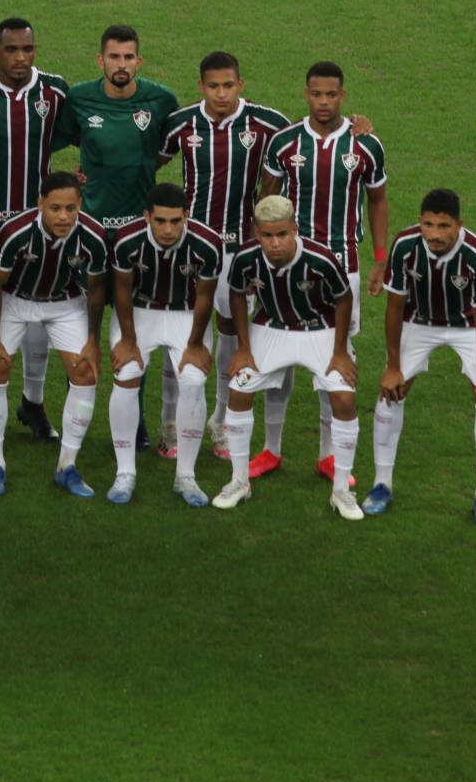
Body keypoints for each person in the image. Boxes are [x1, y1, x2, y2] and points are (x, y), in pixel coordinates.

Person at [162, 50, 371, 470]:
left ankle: (221, 419)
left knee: (226, 329)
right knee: (184, 330)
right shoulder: (180, 124)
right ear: (200, 86)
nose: (221, 93)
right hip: (191, 246)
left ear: (242, 85)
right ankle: (170, 423)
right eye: (213, 86)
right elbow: (148, 161)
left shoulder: (268, 123)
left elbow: (313, 126)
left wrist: (359, 126)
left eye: (229, 85)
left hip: (243, 247)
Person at [260, 60, 388, 485]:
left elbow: (377, 201)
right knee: (277, 358)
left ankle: (329, 456)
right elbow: (267, 202)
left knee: (335, 362)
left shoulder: (366, 145)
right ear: (306, 94)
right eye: (317, 94)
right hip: (287, 265)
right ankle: (270, 449)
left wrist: (381, 257)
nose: (324, 101)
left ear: (343, 96)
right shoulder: (284, 143)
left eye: (331, 94)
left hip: (342, 267)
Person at [60, 24, 180, 446]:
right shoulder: (79, 98)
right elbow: (57, 138)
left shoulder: (161, 100)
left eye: (129, 57)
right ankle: (78, 412)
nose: (122, 65)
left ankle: (139, 420)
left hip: (139, 233)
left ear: (139, 61)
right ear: (101, 61)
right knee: (81, 326)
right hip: (91, 229)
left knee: (137, 329)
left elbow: (174, 143)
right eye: (114, 57)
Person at [0, 18, 74, 448]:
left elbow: (69, 137)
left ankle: (33, 402)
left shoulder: (56, 91)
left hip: (40, 228)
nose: (21, 58)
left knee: (39, 317)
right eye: (12, 50)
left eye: (28, 49)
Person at [213, 195, 363, 520]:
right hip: (271, 329)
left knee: (344, 398)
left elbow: (343, 298)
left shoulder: (322, 258)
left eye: (282, 234)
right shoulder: (245, 258)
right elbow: (237, 294)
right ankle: (238, 482)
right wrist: (243, 347)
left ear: (295, 228)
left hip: (319, 331)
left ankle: (341, 490)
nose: (275, 243)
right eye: (267, 236)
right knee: (238, 392)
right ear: (256, 232)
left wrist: (339, 351)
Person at [370, 189, 476, 526]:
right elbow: (395, 306)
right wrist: (392, 366)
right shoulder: (405, 245)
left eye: (443, 226)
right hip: (420, 322)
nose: (434, 234)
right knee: (390, 393)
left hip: (470, 326)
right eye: (428, 224)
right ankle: (381, 484)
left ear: (459, 225)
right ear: (420, 223)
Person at [0, 173, 110, 499]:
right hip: (15, 301)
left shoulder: (93, 235)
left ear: (80, 204)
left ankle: (67, 466)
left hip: (65, 304)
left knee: (85, 372)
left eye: (70, 208)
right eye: (55, 208)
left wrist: (93, 341)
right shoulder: (15, 232)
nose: (63, 216)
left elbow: (96, 292)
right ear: (41, 205)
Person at [107, 183, 222, 507]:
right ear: (147, 216)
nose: (168, 229)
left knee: (193, 380)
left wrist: (196, 344)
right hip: (141, 312)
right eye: (160, 221)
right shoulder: (127, 239)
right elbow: (122, 292)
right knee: (127, 374)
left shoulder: (208, 243)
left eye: (175, 221)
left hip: (185, 313)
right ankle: (125, 472)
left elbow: (204, 296)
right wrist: (129, 340)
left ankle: (185, 475)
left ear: (186, 216)